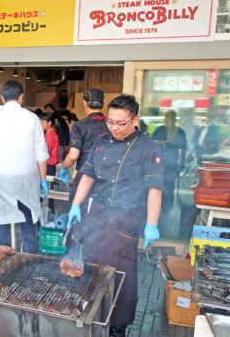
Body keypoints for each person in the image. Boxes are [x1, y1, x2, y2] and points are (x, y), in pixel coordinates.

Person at [67, 94, 163, 337]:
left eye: (120, 123)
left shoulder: (148, 148)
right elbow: (87, 175)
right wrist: (76, 206)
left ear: (135, 120)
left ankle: (117, 326)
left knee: (122, 275)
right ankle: (89, 316)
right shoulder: (100, 140)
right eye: (110, 122)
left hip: (125, 219)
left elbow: (155, 190)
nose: (114, 128)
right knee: (92, 266)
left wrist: (152, 224)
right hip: (97, 216)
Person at [0, 80, 49, 253]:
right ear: (21, 97)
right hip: (27, 180)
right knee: (29, 222)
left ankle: (3, 264)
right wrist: (43, 179)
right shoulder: (32, 119)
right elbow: (41, 154)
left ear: (2, 98)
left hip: (1, 179)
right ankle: (30, 261)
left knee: (2, 224)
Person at [59, 88, 108, 208]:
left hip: (85, 176)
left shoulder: (80, 126)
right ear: (104, 102)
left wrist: (63, 167)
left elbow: (73, 156)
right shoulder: (112, 125)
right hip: (107, 177)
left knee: (79, 210)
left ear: (85, 103)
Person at [152, 110, 186, 214]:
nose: (169, 121)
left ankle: (167, 207)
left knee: (170, 186)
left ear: (175, 120)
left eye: (172, 118)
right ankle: (157, 206)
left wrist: (182, 164)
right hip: (158, 164)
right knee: (157, 186)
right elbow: (151, 144)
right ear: (165, 119)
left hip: (172, 165)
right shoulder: (159, 130)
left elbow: (183, 149)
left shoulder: (180, 132)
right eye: (168, 118)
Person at [39, 112, 60, 177]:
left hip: (48, 165)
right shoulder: (51, 133)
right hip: (50, 165)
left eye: (42, 122)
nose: (40, 124)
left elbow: (45, 151)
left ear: (49, 123)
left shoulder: (50, 135)